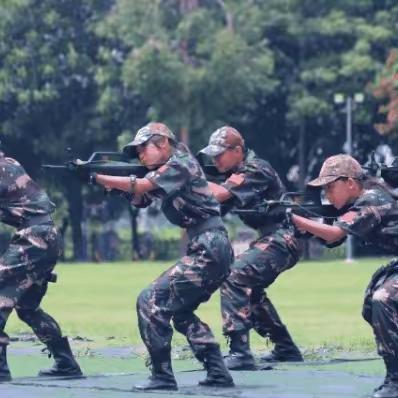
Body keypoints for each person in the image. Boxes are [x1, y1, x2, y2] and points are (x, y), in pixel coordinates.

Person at [94, 122, 234, 391]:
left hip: (209, 246)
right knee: (180, 311)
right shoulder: (169, 171)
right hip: (210, 247)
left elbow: (144, 186)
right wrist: (117, 186)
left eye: (143, 148)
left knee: (150, 300)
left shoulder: (180, 164)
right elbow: (142, 198)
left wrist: (99, 178)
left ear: (163, 144)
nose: (140, 156)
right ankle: (217, 372)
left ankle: (162, 376)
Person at [291, 154, 398, 398]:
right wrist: (302, 223)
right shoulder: (367, 197)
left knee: (384, 298)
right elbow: (331, 236)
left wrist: (292, 218)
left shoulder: (371, 198)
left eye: (330, 187)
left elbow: (334, 234)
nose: (327, 194)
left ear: (350, 182)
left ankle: (396, 380)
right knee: (372, 304)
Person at [199, 126, 302, 370]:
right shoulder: (235, 173)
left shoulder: (256, 168)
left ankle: (240, 353)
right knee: (250, 291)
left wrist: (186, 177)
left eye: (220, 154)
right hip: (272, 238)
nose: (215, 160)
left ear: (238, 151)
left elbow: (220, 194)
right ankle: (285, 348)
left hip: (284, 237)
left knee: (234, 276)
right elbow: (209, 205)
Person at [0, 152, 82, 381]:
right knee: (28, 307)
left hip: (34, 238)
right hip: (43, 236)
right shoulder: (9, 163)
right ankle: (66, 363)